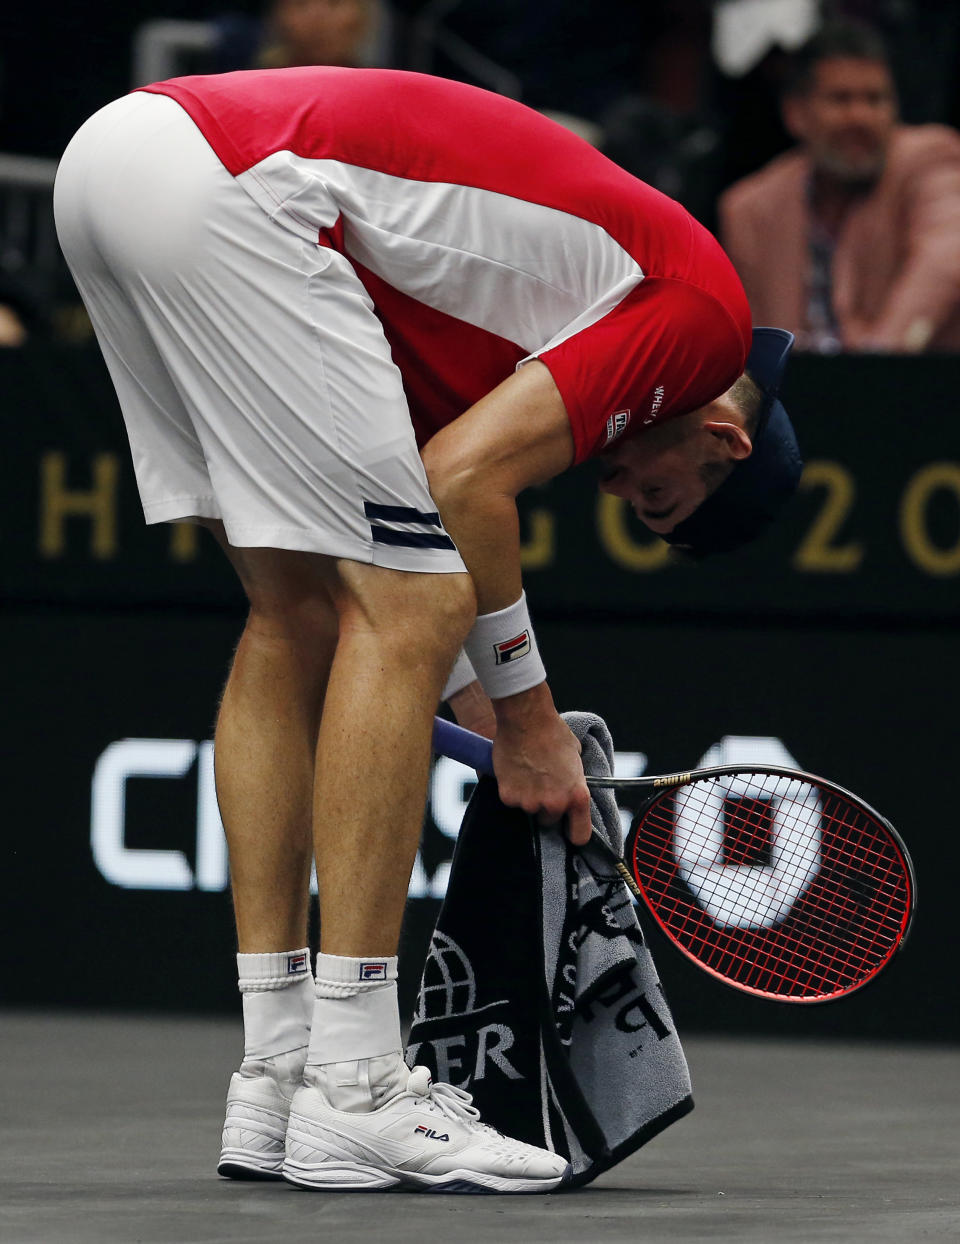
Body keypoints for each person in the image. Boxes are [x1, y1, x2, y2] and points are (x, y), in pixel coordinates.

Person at [53, 66, 799, 1194]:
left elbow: (411, 509)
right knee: (407, 601)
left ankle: (280, 1063)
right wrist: (528, 719)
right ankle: (357, 1083)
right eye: (657, 496)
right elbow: (459, 491)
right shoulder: (703, 327)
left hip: (116, 161)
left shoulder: (500, 335)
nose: (616, 489)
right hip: (237, 187)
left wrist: (476, 705)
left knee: (297, 612)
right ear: (724, 443)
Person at [719, 18, 960, 353]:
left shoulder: (930, 159)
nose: (860, 117)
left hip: (910, 390)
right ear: (796, 113)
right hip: (797, 396)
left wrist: (879, 363)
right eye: (841, 100)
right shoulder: (751, 208)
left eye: (875, 99)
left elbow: (944, 260)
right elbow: (751, 343)